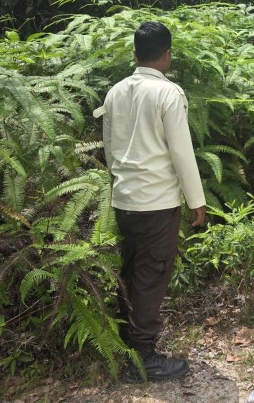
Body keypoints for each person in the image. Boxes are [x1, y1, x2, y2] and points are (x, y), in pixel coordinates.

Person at [97, 21, 207, 382]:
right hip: (157, 202)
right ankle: (141, 357)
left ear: (135, 53)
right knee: (150, 275)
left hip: (124, 199)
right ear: (167, 55)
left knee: (130, 269)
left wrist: (120, 183)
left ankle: (123, 342)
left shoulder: (115, 92)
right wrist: (197, 201)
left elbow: (110, 149)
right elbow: (182, 152)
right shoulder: (168, 94)